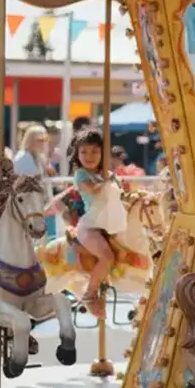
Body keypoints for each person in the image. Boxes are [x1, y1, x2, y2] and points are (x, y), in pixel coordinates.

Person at [71, 129, 127, 316]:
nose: (89, 156)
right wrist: (107, 181)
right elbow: (93, 190)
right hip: (91, 226)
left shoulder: (108, 174)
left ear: (103, 153)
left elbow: (119, 198)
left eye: (95, 151)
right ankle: (90, 293)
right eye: (84, 152)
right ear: (77, 154)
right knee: (107, 257)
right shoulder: (81, 174)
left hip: (110, 224)